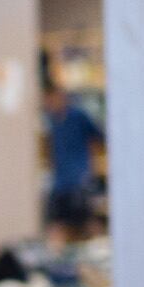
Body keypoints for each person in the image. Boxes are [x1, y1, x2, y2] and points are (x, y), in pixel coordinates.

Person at [42, 88, 104, 239]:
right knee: (58, 225)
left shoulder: (78, 116)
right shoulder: (52, 120)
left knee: (86, 224)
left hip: (79, 181)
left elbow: (100, 138)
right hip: (60, 183)